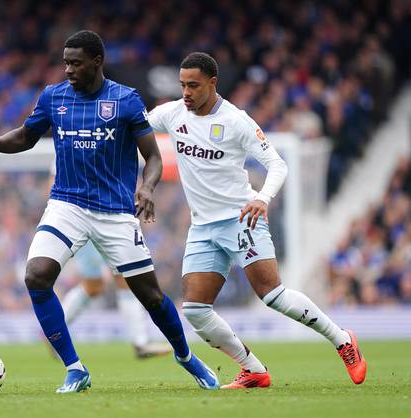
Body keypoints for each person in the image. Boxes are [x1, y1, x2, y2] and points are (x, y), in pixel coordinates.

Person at [0, 30, 219, 393]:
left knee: (152, 297)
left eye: (75, 63)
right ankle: (74, 368)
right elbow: (25, 136)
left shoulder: (125, 100)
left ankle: (187, 357)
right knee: (36, 276)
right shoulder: (54, 97)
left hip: (114, 212)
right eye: (65, 62)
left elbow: (154, 157)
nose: (68, 70)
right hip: (67, 205)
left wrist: (146, 187)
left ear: (96, 62)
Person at [147, 52, 367, 388]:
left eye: (193, 85)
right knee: (194, 309)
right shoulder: (172, 113)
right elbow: (137, 125)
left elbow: (278, 164)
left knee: (272, 295)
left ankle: (342, 340)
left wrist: (263, 198)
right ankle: (253, 368)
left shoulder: (236, 121)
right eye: (182, 85)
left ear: (212, 83)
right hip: (203, 227)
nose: (186, 92)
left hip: (240, 218)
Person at [61, 241, 172, 359]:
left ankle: (141, 343)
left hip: (108, 228)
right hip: (88, 229)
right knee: (94, 285)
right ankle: (54, 329)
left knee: (123, 278)